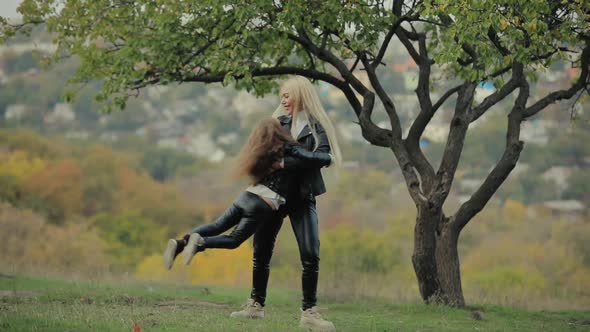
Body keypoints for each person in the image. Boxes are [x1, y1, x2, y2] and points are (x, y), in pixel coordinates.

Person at [231, 76, 341, 332]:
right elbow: (264, 157)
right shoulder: (276, 125)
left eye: (288, 95)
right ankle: (255, 305)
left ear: (302, 96)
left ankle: (309, 313)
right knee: (261, 252)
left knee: (311, 254)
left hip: (302, 198)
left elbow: (324, 157)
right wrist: (294, 160)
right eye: (282, 96)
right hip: (273, 196)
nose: (283, 100)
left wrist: (291, 160)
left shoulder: (316, 127)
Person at [162, 118, 332, 273]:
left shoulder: (261, 150)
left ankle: (180, 243)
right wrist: (328, 158)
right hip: (260, 205)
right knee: (233, 240)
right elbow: (308, 157)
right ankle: (201, 243)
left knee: (216, 225)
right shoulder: (286, 145)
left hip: (245, 196)